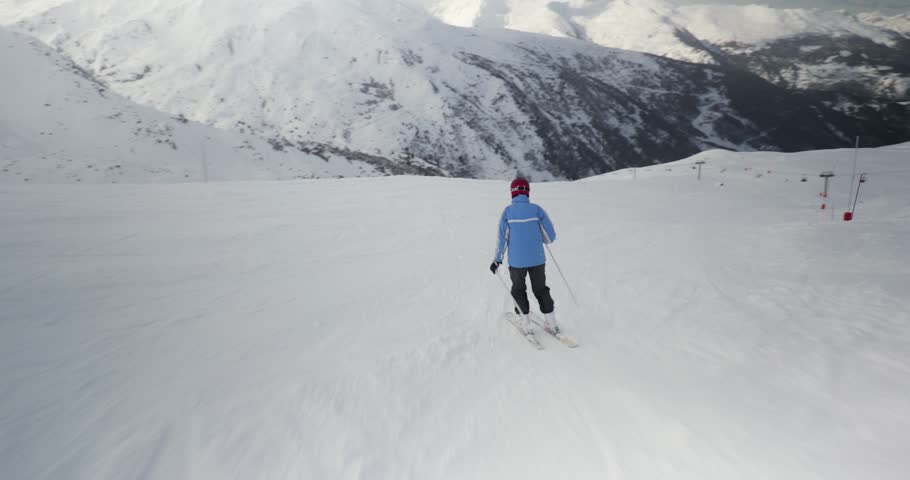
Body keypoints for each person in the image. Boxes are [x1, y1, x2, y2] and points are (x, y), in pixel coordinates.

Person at [489, 177, 560, 334]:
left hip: (517, 262)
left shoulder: (507, 212)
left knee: (519, 290)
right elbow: (550, 237)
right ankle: (551, 322)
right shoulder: (537, 210)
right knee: (541, 289)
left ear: (512, 193)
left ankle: (526, 323)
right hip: (537, 259)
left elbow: (502, 239)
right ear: (527, 192)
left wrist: (497, 260)